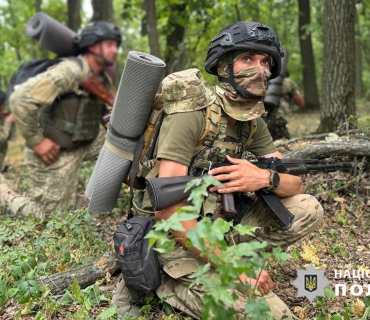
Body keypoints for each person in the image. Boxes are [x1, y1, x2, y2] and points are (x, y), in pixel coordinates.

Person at [112, 21, 323, 319]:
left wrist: (263, 177)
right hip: (172, 240)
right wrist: (232, 268)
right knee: (269, 314)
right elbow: (169, 212)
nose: (259, 69)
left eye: (265, 62)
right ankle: (166, 284)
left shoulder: (252, 121)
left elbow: (296, 184)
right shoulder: (193, 114)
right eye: (247, 59)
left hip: (217, 227)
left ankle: (219, 266)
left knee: (308, 208)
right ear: (224, 66)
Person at [0, 21, 121, 219]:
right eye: (108, 44)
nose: (114, 50)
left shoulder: (100, 77)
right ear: (91, 45)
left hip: (82, 142)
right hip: (54, 152)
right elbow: (20, 100)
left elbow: (109, 111)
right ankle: (7, 197)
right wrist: (37, 142)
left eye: (116, 45)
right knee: (50, 217)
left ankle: (79, 200)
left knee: (124, 147)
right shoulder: (69, 71)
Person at [264, 61, 305, 140]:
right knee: (285, 144)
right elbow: (301, 103)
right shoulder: (288, 82)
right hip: (279, 118)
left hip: (261, 118)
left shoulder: (259, 81)